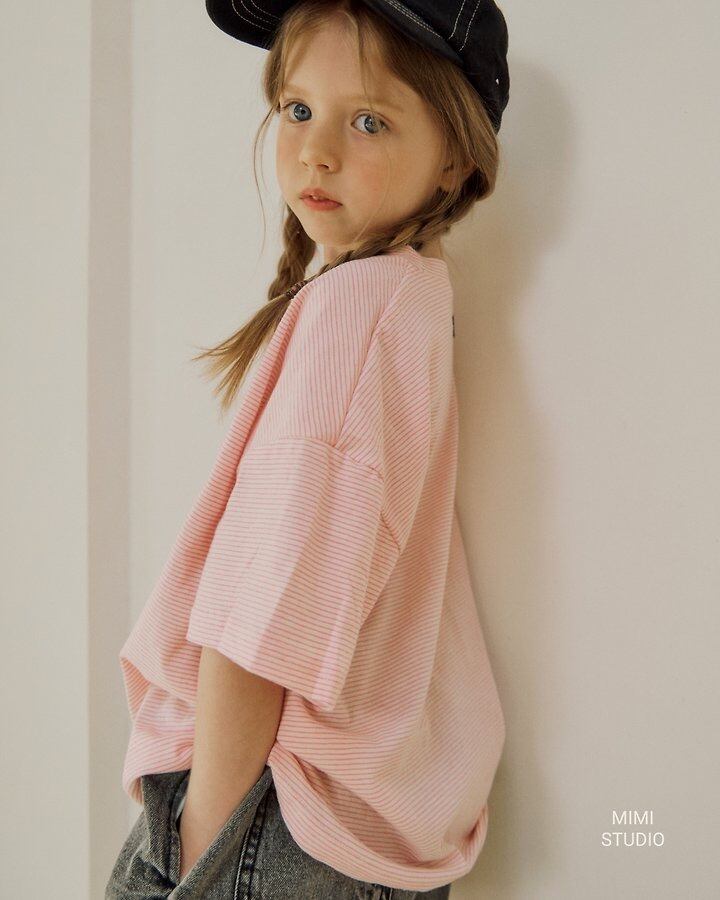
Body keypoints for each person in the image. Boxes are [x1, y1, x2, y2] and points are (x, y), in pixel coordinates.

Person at [106, 0, 510, 897]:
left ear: (454, 159)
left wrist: (204, 843)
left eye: (367, 121)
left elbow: (263, 621)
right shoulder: (407, 302)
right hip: (337, 828)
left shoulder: (356, 314)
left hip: (267, 813)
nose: (316, 152)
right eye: (297, 110)